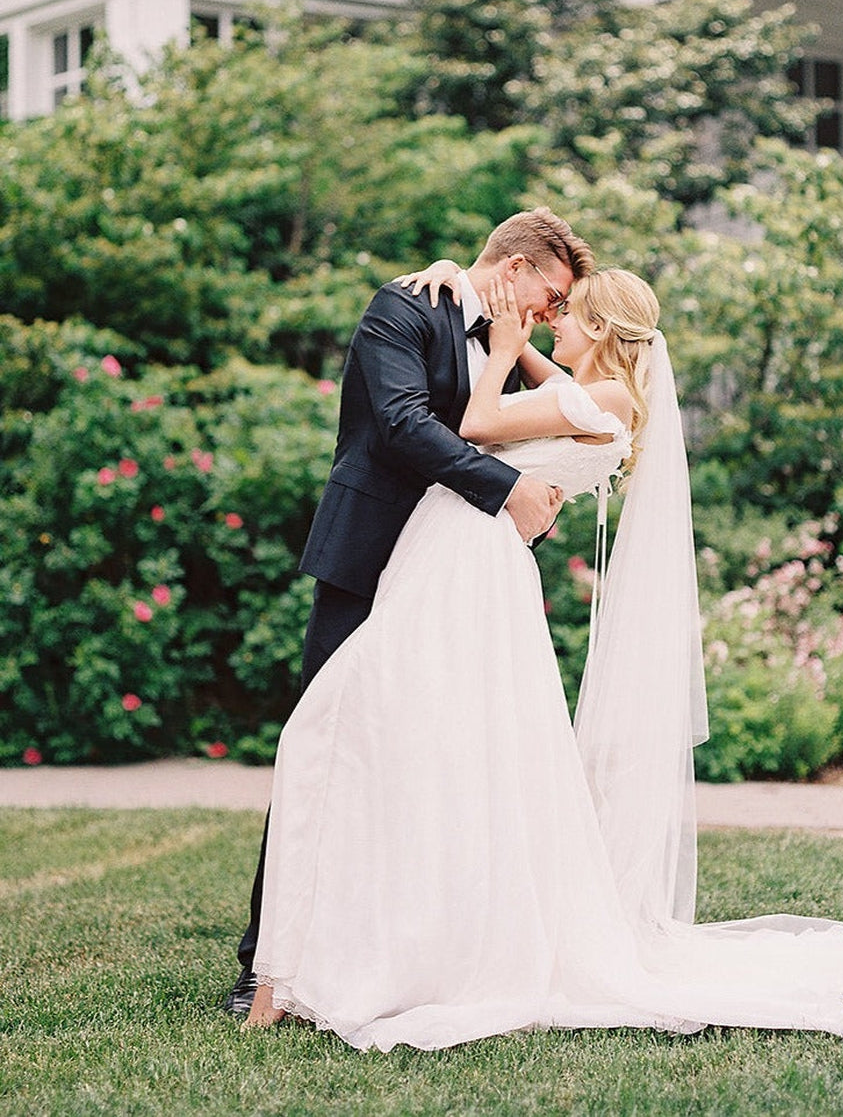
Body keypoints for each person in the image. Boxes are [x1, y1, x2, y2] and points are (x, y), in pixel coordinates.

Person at [245, 266, 843, 1045]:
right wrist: (471, 285)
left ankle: (322, 963)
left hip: (463, 562)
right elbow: (550, 386)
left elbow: (475, 424)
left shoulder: (599, 400)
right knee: (386, 735)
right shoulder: (596, 396)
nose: (554, 324)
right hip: (459, 557)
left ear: (601, 330)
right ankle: (348, 950)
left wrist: (502, 349)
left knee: (345, 725)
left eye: (569, 315)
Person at [222, 207, 595, 1015]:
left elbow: (544, 410)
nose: (553, 313)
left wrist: (511, 345)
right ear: (517, 267)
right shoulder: (403, 306)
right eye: (554, 295)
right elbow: (400, 424)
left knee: (427, 758)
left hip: (451, 577)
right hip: (369, 554)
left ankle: (390, 950)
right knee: (324, 743)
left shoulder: (501, 335)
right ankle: (267, 962)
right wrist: (509, 490)